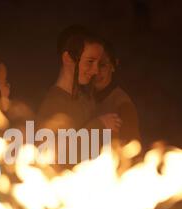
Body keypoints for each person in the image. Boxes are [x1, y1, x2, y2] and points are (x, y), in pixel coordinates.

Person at [36, 25, 122, 164]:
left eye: (98, 63)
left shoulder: (86, 99)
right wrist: (99, 124)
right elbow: (52, 156)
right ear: (68, 59)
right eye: (90, 62)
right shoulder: (53, 104)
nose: (95, 70)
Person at [93, 40, 140, 144]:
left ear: (113, 65)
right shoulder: (82, 99)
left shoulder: (123, 106)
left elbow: (131, 149)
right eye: (91, 63)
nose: (96, 71)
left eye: (102, 65)